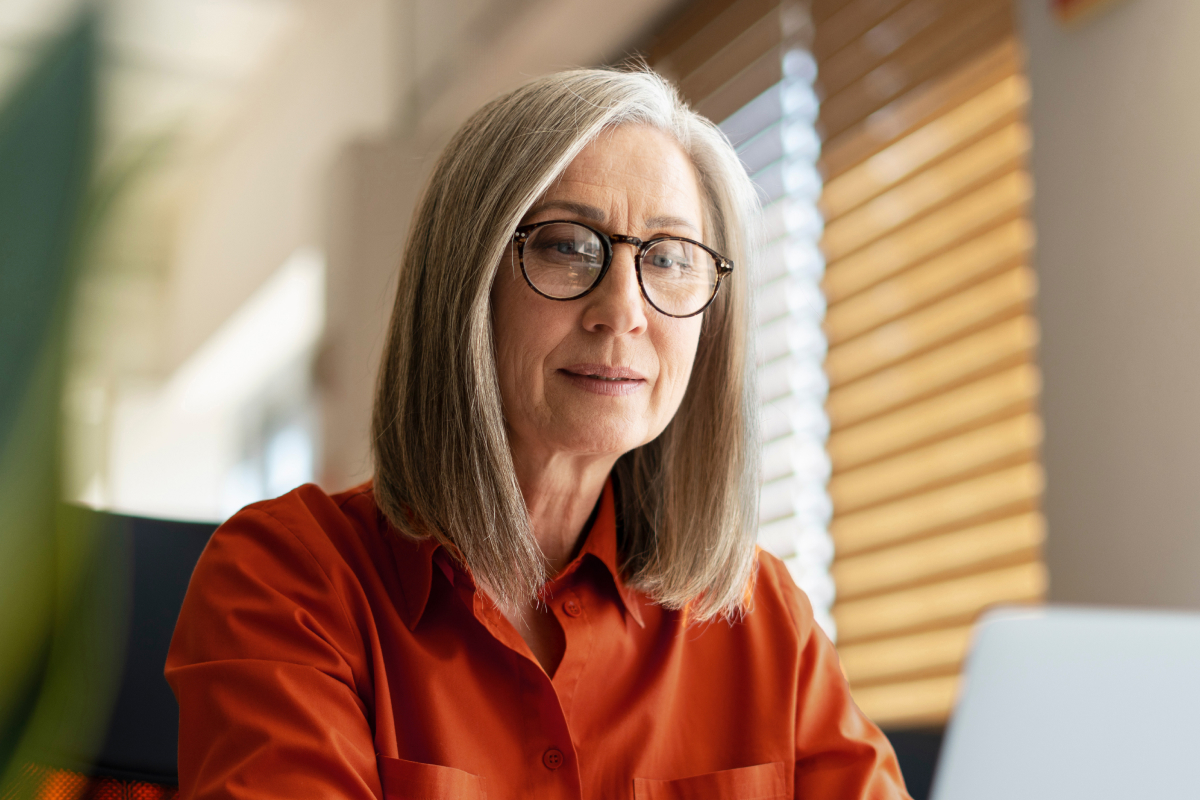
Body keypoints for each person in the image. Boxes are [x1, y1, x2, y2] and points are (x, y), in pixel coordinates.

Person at [166, 67, 911, 800]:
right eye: (566, 245)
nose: (623, 311)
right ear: (467, 282)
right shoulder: (288, 580)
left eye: (671, 258)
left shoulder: (761, 615)